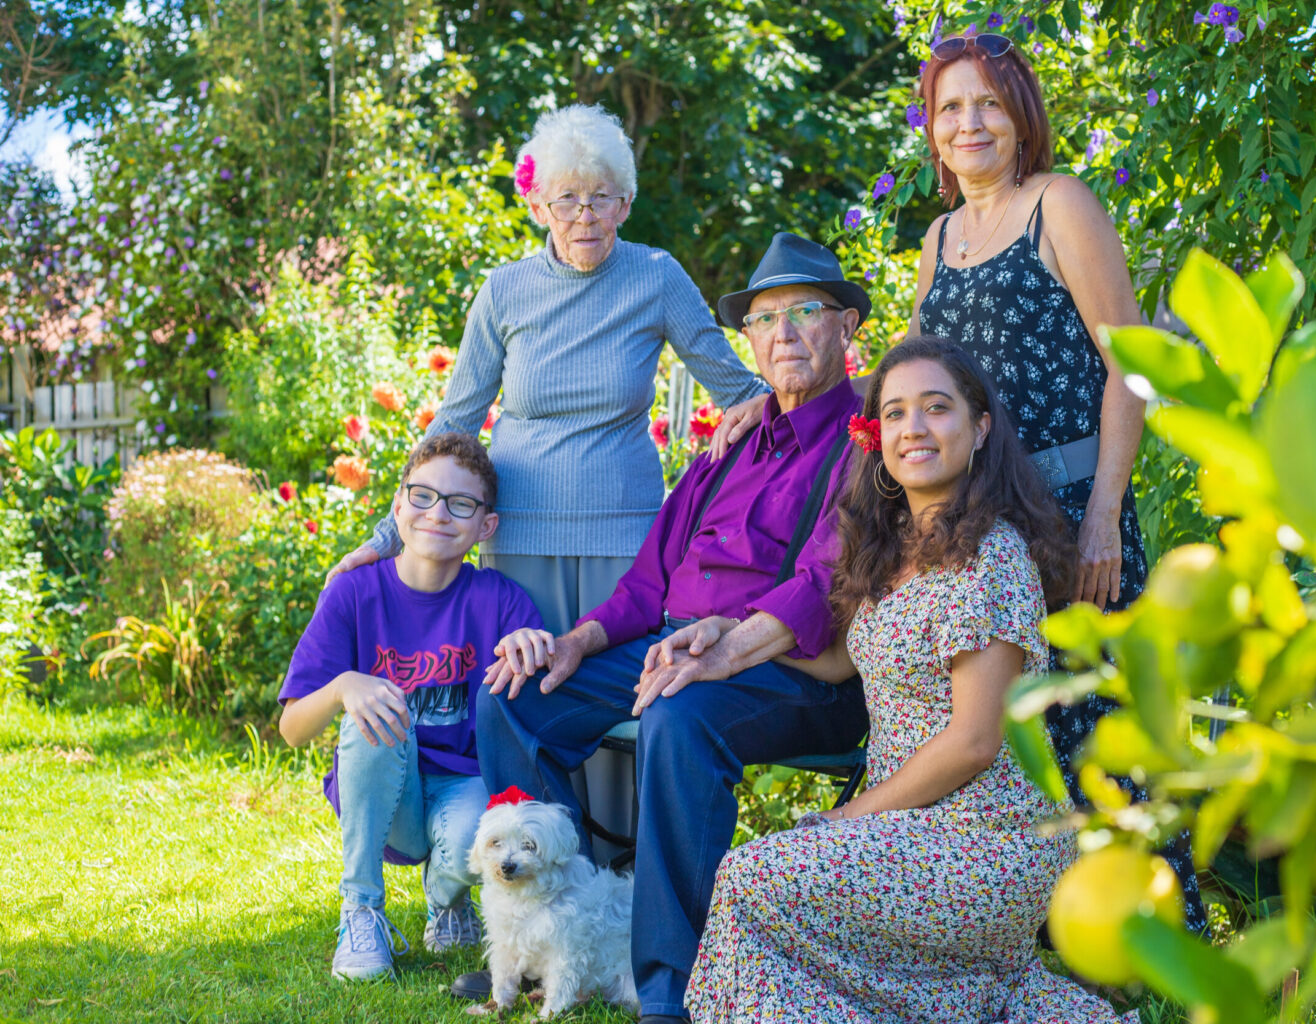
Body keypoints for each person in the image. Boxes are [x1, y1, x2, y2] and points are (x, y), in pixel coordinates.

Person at [472, 232, 873, 1024]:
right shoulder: (731, 445)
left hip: (796, 667)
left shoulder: (865, 438)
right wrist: (579, 641)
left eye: (806, 312)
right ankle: (562, 925)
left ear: (848, 327)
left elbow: (826, 580)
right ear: (749, 342)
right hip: (677, 647)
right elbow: (648, 582)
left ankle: (668, 982)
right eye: (765, 320)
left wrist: (723, 646)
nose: (785, 333)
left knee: (680, 716)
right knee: (515, 697)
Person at [685, 337, 1130, 1023]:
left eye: (936, 409)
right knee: (760, 896)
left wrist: (844, 820)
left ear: (980, 429)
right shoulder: (892, 548)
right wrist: (725, 638)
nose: (913, 428)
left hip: (987, 840)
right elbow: (840, 661)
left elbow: (976, 741)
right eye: (894, 413)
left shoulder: (993, 555)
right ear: (876, 436)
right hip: (907, 835)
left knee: (752, 876)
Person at [909, 29, 1204, 927]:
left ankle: (1155, 942)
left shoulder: (1060, 205)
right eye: (951, 107)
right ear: (932, 128)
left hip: (1075, 513)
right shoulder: (937, 238)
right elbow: (920, 395)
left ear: (1022, 116)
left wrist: (1106, 512)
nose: (971, 124)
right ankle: (1025, 937)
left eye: (989, 104)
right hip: (978, 536)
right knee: (1007, 740)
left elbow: (1130, 367)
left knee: (1106, 733)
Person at [327, 102, 765, 638]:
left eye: (600, 198)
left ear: (624, 205)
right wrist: (386, 536)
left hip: (626, 538)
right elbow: (456, 421)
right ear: (539, 207)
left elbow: (741, 391)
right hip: (518, 541)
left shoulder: (656, 276)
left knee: (619, 706)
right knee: (527, 695)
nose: (585, 216)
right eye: (567, 201)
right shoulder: (505, 290)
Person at [277, 433, 543, 980]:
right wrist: (342, 685)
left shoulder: (502, 599)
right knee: (370, 714)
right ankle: (361, 911)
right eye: (422, 496)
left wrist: (534, 648)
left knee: (479, 833)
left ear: (484, 526)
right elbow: (291, 730)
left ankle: (446, 896)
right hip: (384, 792)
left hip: (464, 790)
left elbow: (531, 702)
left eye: (460, 504)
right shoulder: (352, 593)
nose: (437, 514)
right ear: (398, 505)